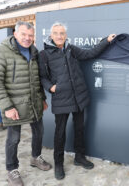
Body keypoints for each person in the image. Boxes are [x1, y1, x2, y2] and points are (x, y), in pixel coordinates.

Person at [38, 22, 115, 180]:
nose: (59, 36)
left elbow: (89, 54)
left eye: (62, 33)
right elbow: (42, 76)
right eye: (56, 33)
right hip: (61, 98)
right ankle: (58, 163)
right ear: (50, 35)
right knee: (60, 133)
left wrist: (106, 41)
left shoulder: (71, 49)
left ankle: (79, 157)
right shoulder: (44, 54)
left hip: (79, 96)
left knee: (79, 128)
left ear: (65, 35)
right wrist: (51, 88)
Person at [0, 21, 52, 186]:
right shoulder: (0, 51)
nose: (27, 38)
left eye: (31, 35)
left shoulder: (34, 51)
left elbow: (37, 78)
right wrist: (7, 106)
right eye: (24, 34)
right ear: (15, 34)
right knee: (13, 139)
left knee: (39, 132)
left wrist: (43, 99)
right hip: (14, 106)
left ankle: (35, 157)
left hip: (34, 102)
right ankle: (12, 170)